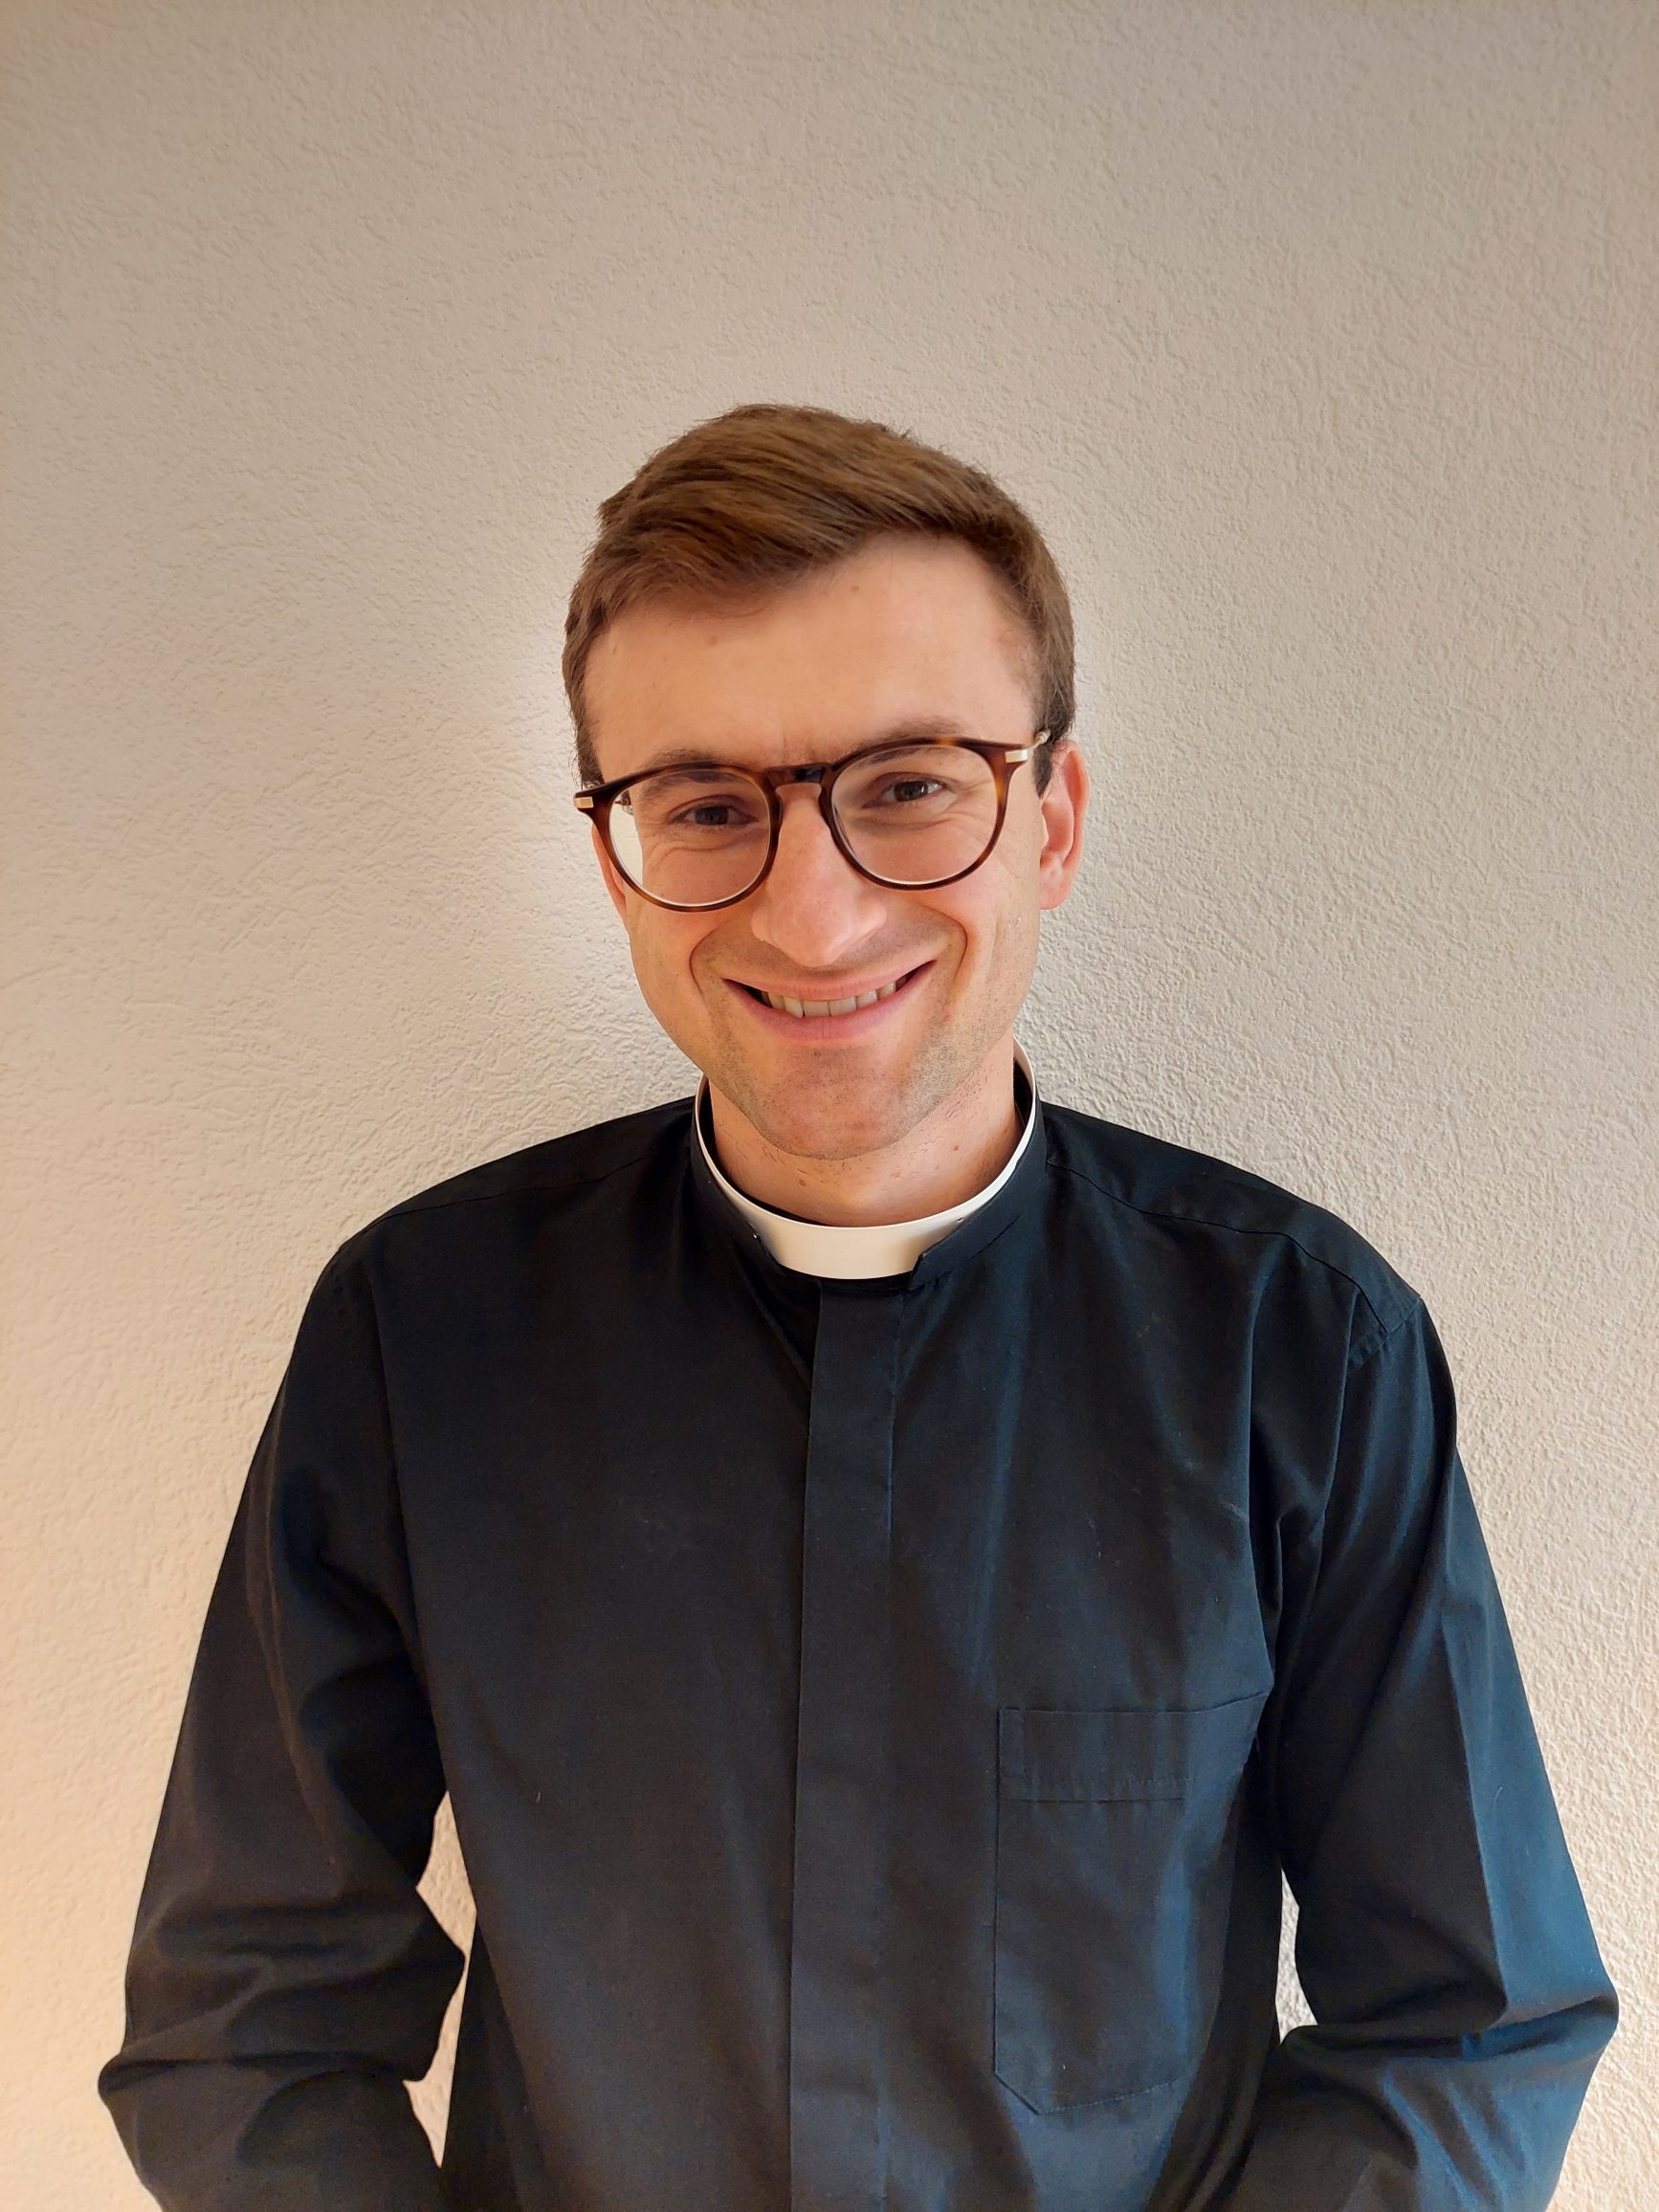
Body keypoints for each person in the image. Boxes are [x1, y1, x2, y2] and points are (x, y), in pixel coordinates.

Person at [99, 402, 1616, 2211]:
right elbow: (243, 2029)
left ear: (1049, 821)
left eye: (907, 786)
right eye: (707, 808)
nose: (811, 918)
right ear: (614, 858)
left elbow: (1468, 2026)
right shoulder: (419, 1337)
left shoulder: (1300, 1347)